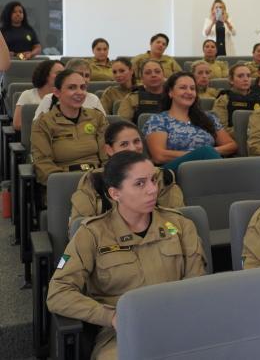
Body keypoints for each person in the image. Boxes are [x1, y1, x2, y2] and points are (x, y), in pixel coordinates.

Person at [47, 152, 206, 359]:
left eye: (152, 180)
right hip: (120, 332)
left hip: (179, 323)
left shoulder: (180, 226)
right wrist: (110, 316)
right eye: (140, 184)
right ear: (115, 194)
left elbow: (196, 283)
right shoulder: (91, 234)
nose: (152, 189)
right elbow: (58, 293)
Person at [69, 120, 184, 223]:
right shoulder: (94, 180)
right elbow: (80, 224)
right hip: (110, 242)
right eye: (124, 144)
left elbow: (176, 220)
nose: (133, 148)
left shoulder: (162, 176)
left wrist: (166, 235)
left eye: (136, 141)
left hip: (158, 239)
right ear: (109, 150)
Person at [144, 72, 237, 170]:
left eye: (192, 88)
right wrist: (200, 154)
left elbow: (231, 145)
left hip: (208, 167)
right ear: (170, 92)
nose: (189, 92)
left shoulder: (208, 118)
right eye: (183, 87)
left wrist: (210, 152)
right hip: (174, 173)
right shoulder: (159, 120)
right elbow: (159, 156)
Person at [31, 69, 109, 186]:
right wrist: (64, 182)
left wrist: (109, 178)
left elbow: (108, 153)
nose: (80, 92)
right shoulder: (43, 123)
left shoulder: (97, 117)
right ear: (57, 92)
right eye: (72, 88)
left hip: (98, 179)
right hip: (64, 182)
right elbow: (42, 162)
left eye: (83, 87)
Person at [33, 59, 106, 118]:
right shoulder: (49, 99)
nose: (83, 79)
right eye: (79, 74)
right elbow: (37, 127)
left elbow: (104, 127)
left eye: (87, 76)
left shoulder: (93, 99)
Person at [212, 63, 260, 128]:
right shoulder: (224, 100)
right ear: (231, 80)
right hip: (234, 136)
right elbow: (221, 129)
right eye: (240, 76)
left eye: (248, 76)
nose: (246, 79)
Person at [13, 58, 63, 131]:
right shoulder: (27, 95)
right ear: (45, 75)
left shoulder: (66, 96)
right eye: (58, 73)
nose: (63, 77)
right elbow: (17, 124)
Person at [117, 59, 166, 124]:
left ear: (163, 75)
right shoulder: (132, 99)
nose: (153, 75)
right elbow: (122, 126)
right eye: (148, 73)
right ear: (142, 79)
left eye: (157, 71)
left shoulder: (174, 96)